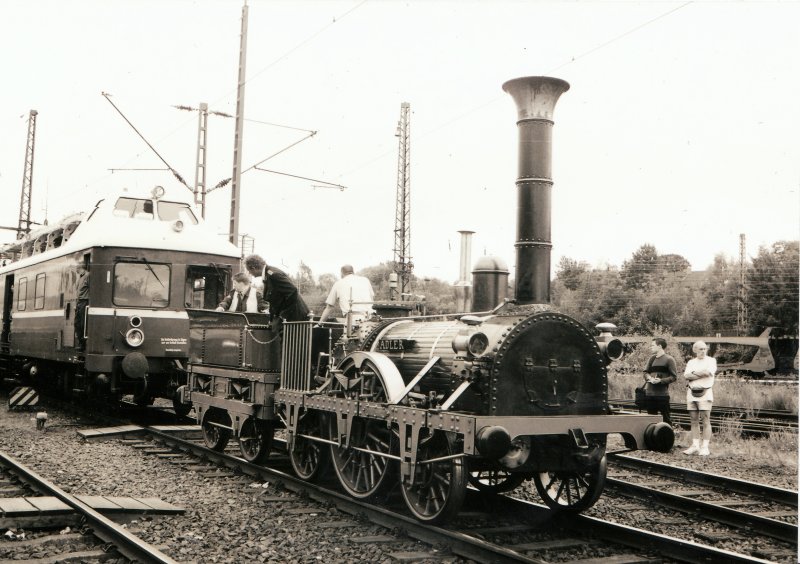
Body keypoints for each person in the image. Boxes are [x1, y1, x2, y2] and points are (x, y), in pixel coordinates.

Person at [243, 254, 310, 322]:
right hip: (288, 318)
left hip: (294, 318)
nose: (249, 273)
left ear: (253, 268)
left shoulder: (273, 275)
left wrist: (283, 316)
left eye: (249, 270)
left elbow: (293, 291)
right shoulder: (268, 274)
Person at [683, 340, 717, 456]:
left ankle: (705, 447)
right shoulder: (691, 362)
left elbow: (708, 373)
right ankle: (695, 445)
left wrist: (694, 374)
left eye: (704, 349)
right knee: (693, 420)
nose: (703, 351)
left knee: (706, 420)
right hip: (691, 393)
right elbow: (686, 376)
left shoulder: (711, 361)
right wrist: (700, 373)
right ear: (695, 350)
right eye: (700, 349)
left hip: (705, 393)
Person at [642, 337, 678, 426]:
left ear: (660, 346)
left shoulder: (669, 359)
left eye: (652, 345)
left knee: (666, 420)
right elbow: (645, 372)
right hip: (650, 395)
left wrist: (661, 381)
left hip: (662, 396)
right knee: (650, 421)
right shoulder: (651, 359)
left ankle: (667, 438)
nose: (651, 347)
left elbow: (674, 377)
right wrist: (649, 378)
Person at [75, 263, 90, 351]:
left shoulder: (88, 276)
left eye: (77, 268)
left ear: (82, 268)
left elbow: (92, 288)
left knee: (82, 324)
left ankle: (83, 344)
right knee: (77, 323)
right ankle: (81, 342)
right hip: (79, 302)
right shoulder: (80, 277)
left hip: (85, 301)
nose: (76, 270)